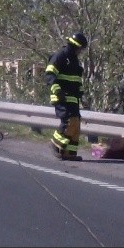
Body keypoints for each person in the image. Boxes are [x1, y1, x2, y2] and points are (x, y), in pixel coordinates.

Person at [45, 32, 88, 161]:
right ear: (76, 46)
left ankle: (69, 153)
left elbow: (76, 81)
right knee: (69, 123)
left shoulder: (74, 60)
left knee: (76, 126)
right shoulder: (61, 56)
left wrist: (81, 95)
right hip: (62, 97)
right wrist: (57, 91)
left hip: (73, 99)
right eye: (81, 48)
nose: (81, 51)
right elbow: (49, 74)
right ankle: (55, 144)